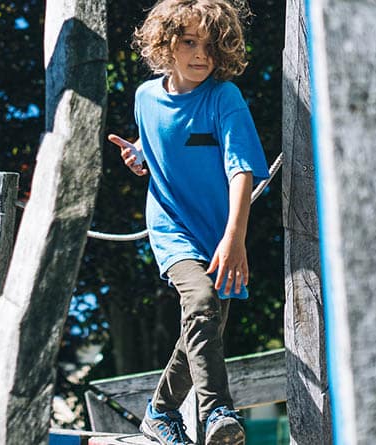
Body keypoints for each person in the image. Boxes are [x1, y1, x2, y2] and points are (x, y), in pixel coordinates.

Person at [107, 0, 267, 443]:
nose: (201, 54)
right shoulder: (144, 96)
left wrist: (235, 238)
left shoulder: (223, 97)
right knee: (199, 303)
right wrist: (139, 154)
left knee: (205, 325)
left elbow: (241, 169)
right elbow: (160, 137)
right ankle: (217, 410)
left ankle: (159, 412)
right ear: (165, 42)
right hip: (171, 228)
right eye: (189, 42)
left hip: (221, 232)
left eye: (212, 46)